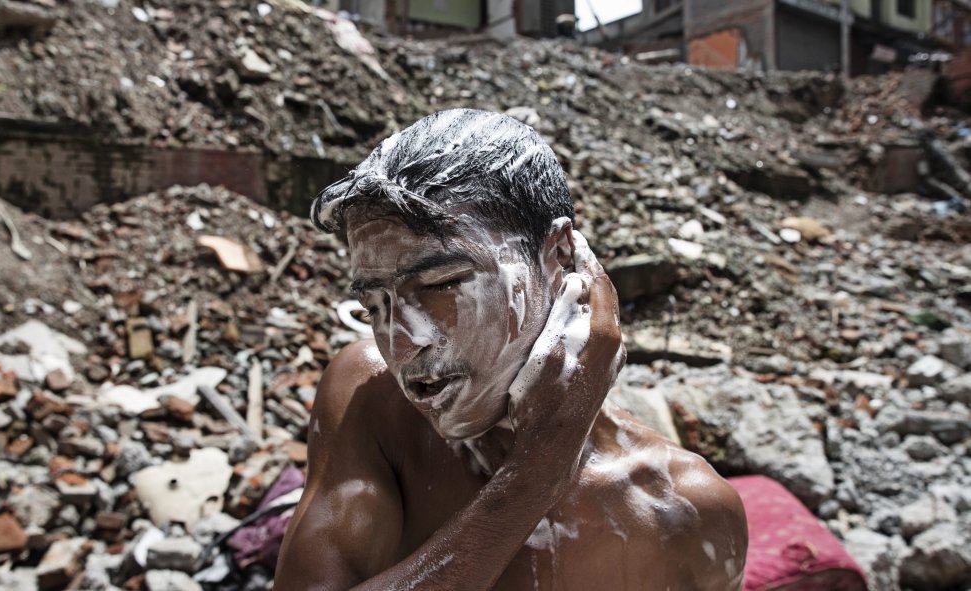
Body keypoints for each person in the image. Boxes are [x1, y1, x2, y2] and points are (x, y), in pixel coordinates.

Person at [276, 109, 748, 590]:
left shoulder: (682, 512)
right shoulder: (371, 397)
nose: (400, 343)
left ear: (559, 257)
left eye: (441, 284)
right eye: (375, 304)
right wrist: (539, 467)